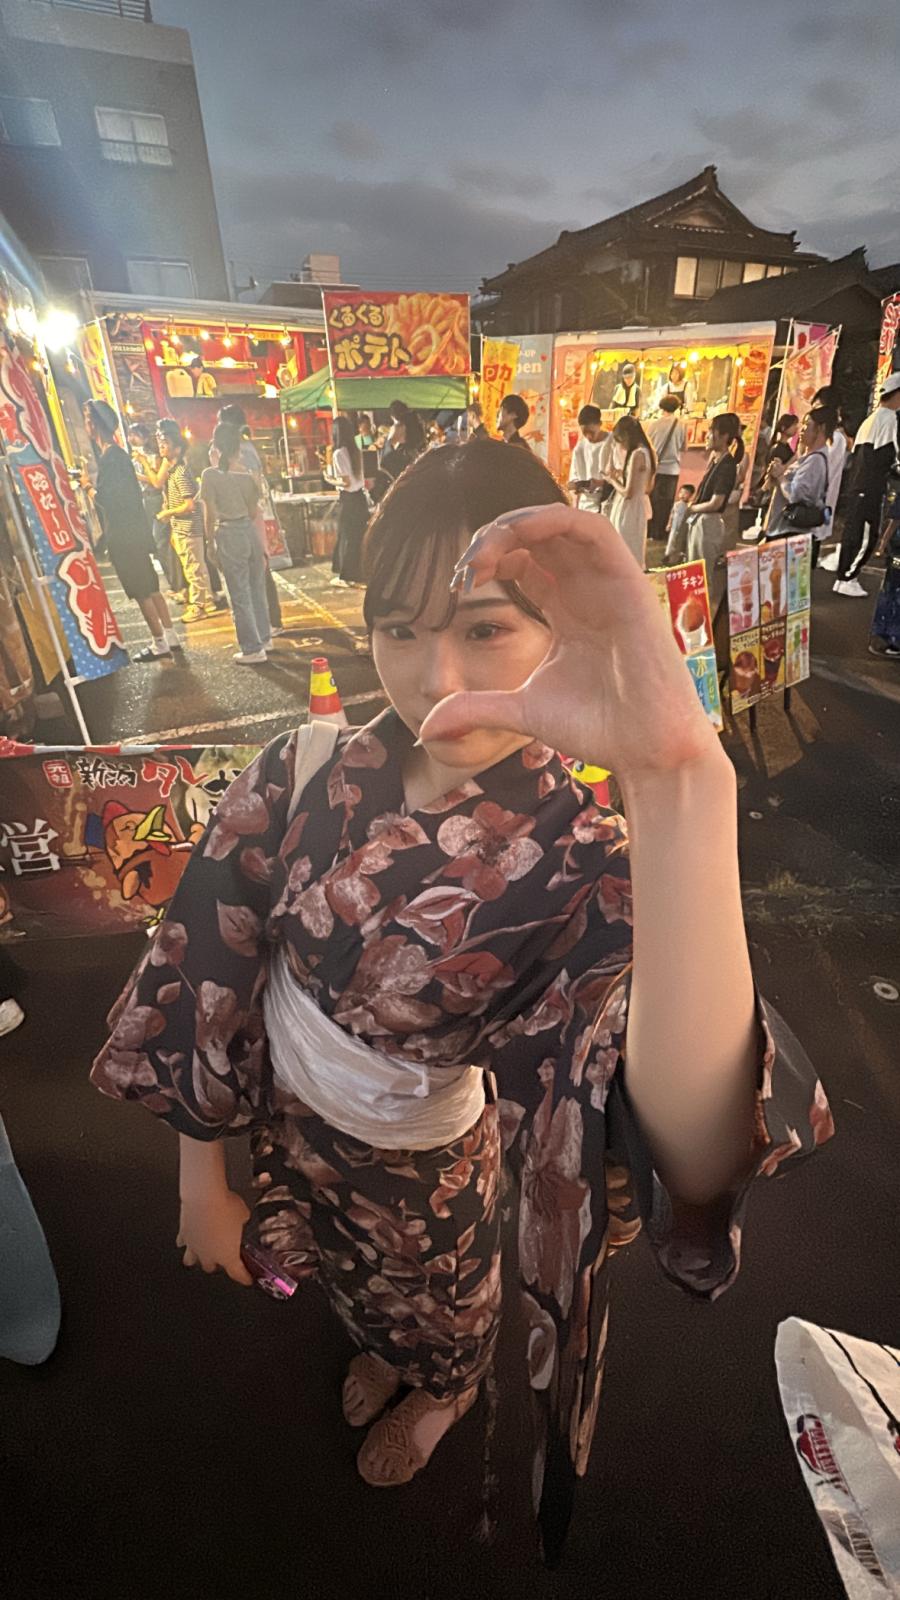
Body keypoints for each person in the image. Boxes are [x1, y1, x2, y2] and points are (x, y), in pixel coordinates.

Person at [91, 439, 830, 1561]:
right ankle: (383, 1349)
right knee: (340, 1279)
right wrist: (202, 1176)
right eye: (399, 629)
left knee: (433, 1306)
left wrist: (680, 779)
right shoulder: (301, 766)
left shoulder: (578, 857)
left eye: (484, 628)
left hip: (423, 1166)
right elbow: (204, 969)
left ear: (560, 630)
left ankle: (442, 1389)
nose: (437, 675)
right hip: (293, 1126)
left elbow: (688, 1132)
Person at [83, 400, 180, 661]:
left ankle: (159, 642)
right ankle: (170, 636)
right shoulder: (119, 455)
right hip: (135, 532)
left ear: (94, 424)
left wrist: (87, 486)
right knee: (150, 585)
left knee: (140, 590)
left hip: (123, 536)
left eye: (87, 419)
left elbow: (107, 499)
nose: (85, 425)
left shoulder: (111, 457)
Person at [198, 423, 269, 664]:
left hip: (229, 533)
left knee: (239, 593)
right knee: (256, 589)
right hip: (249, 532)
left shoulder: (210, 475)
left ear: (216, 446)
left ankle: (252, 648)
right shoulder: (246, 475)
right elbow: (253, 512)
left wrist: (209, 542)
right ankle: (264, 638)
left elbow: (210, 513)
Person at [217, 404, 284, 636]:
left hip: (249, 517)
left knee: (258, 569)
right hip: (250, 515)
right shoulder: (244, 448)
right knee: (258, 569)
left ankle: (270, 622)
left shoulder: (242, 451)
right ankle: (269, 622)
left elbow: (253, 487)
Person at [832, 375, 900, 598]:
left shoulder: (870, 420)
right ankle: (848, 577)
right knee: (865, 536)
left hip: (858, 484)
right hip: (871, 486)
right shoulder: (889, 419)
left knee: (853, 532)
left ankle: (843, 577)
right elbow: (889, 457)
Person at [156, 420, 216, 623]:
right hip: (183, 527)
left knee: (193, 569)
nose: (161, 446)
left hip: (188, 527)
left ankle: (198, 606)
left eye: (166, 442)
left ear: (178, 448)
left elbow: (189, 505)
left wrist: (168, 513)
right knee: (197, 567)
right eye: (160, 442)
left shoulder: (180, 472)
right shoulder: (175, 471)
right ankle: (208, 600)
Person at [764, 407, 835, 560]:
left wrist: (780, 476)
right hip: (786, 533)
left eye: (807, 425)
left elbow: (796, 495)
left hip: (791, 536)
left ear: (821, 428)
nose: (801, 430)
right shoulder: (809, 457)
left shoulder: (815, 461)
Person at [685, 414, 741, 566]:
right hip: (702, 521)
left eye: (711, 431)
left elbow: (716, 503)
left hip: (708, 523)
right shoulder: (717, 461)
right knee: (695, 570)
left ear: (724, 436)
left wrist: (692, 508)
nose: (707, 435)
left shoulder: (727, 465)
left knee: (702, 571)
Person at [604, 413, 655, 566]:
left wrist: (612, 480)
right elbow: (647, 487)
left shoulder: (637, 454)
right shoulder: (647, 452)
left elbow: (628, 492)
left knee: (625, 552)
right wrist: (621, 474)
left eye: (621, 440)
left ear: (627, 436)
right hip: (637, 508)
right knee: (633, 550)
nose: (621, 445)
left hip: (628, 510)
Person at [326, 414, 368, 586]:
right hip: (360, 498)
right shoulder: (356, 451)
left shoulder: (338, 454)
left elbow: (346, 482)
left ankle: (348, 575)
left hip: (349, 499)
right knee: (358, 536)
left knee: (347, 536)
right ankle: (359, 572)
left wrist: (330, 480)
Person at [813, 387, 852, 572]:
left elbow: (824, 470)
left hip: (818, 500)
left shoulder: (836, 438)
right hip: (816, 499)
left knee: (811, 540)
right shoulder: (831, 437)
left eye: (818, 406)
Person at [646, 396, 686, 540]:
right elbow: (684, 447)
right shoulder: (681, 425)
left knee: (652, 500)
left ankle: (649, 531)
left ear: (661, 406)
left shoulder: (654, 424)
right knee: (666, 503)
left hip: (655, 468)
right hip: (672, 469)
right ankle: (660, 532)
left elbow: (647, 445)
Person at [372, 409, 426, 503]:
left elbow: (383, 463)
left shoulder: (397, 455)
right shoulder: (416, 454)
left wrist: (388, 442)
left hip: (399, 495)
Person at [566, 404, 609, 511]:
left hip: (608, 503)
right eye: (585, 433)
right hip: (585, 506)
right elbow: (574, 477)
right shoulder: (580, 448)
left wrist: (599, 483)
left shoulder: (612, 443)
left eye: (592, 432)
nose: (588, 436)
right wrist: (575, 487)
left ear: (600, 424)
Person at [664, 481, 696, 564]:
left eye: (686, 493)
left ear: (691, 495)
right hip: (674, 527)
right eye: (681, 492)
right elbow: (672, 514)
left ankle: (677, 557)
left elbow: (691, 517)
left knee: (680, 543)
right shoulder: (676, 504)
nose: (682, 495)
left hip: (683, 529)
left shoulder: (690, 506)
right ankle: (668, 556)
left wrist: (689, 525)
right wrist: (669, 524)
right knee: (671, 541)